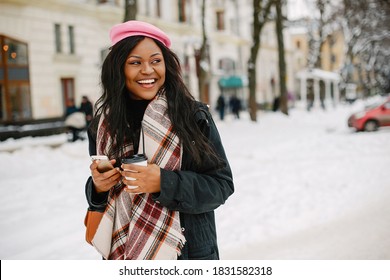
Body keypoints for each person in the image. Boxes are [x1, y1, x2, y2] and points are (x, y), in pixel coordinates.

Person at [84, 20, 234, 260]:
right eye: (135, 62)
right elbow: (101, 197)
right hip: (123, 252)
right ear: (118, 68)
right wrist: (99, 187)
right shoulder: (104, 125)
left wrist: (164, 182)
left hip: (188, 254)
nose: (148, 70)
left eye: (156, 61)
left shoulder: (192, 115)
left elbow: (220, 185)